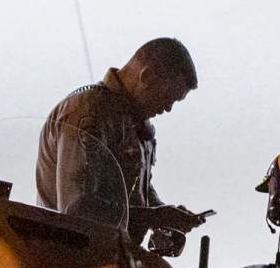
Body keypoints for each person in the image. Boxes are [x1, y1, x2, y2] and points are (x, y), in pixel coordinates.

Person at [36, 37, 206, 246]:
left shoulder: (134, 122)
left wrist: (165, 219)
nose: (168, 108)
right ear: (148, 76)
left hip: (110, 259)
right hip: (70, 262)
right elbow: (77, 209)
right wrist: (154, 216)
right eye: (167, 97)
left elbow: (131, 189)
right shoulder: (89, 112)